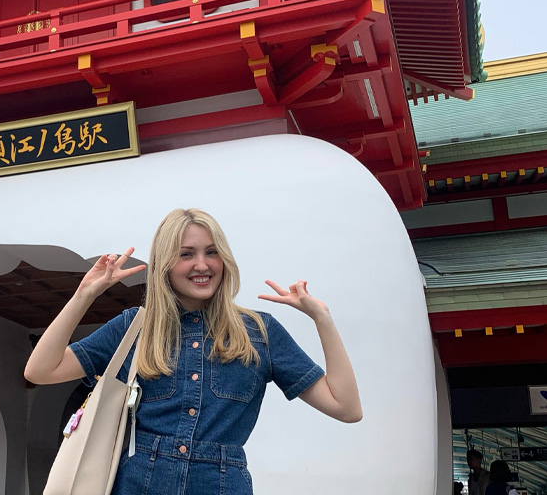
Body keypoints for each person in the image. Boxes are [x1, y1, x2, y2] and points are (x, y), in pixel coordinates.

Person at [24, 208, 362, 495]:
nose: (202, 264)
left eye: (212, 252)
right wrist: (84, 295)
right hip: (139, 481)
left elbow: (346, 408)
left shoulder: (260, 332)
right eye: (187, 254)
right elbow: (40, 370)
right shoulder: (137, 326)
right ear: (166, 265)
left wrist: (323, 320)